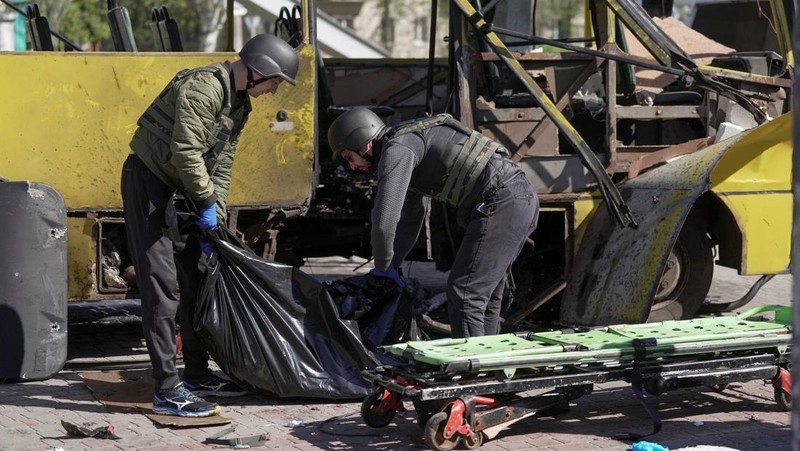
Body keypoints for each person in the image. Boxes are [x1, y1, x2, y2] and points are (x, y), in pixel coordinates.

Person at [121, 34, 299, 417]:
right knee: (162, 287)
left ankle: (198, 376)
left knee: (197, 278)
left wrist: (215, 214)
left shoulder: (240, 105)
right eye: (274, 82)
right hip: (149, 183)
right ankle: (167, 391)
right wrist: (203, 201)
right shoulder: (203, 89)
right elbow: (185, 152)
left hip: (182, 186)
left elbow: (221, 163)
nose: (273, 91)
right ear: (257, 71)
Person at [327, 108, 539, 339]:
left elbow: (384, 219)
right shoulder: (406, 145)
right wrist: (393, 264)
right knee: (484, 297)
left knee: (466, 293)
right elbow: (409, 218)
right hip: (517, 200)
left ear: (364, 144)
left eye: (350, 158)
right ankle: (490, 365)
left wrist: (382, 265)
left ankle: (476, 369)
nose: (352, 166)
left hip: (504, 202)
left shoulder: (398, 148)